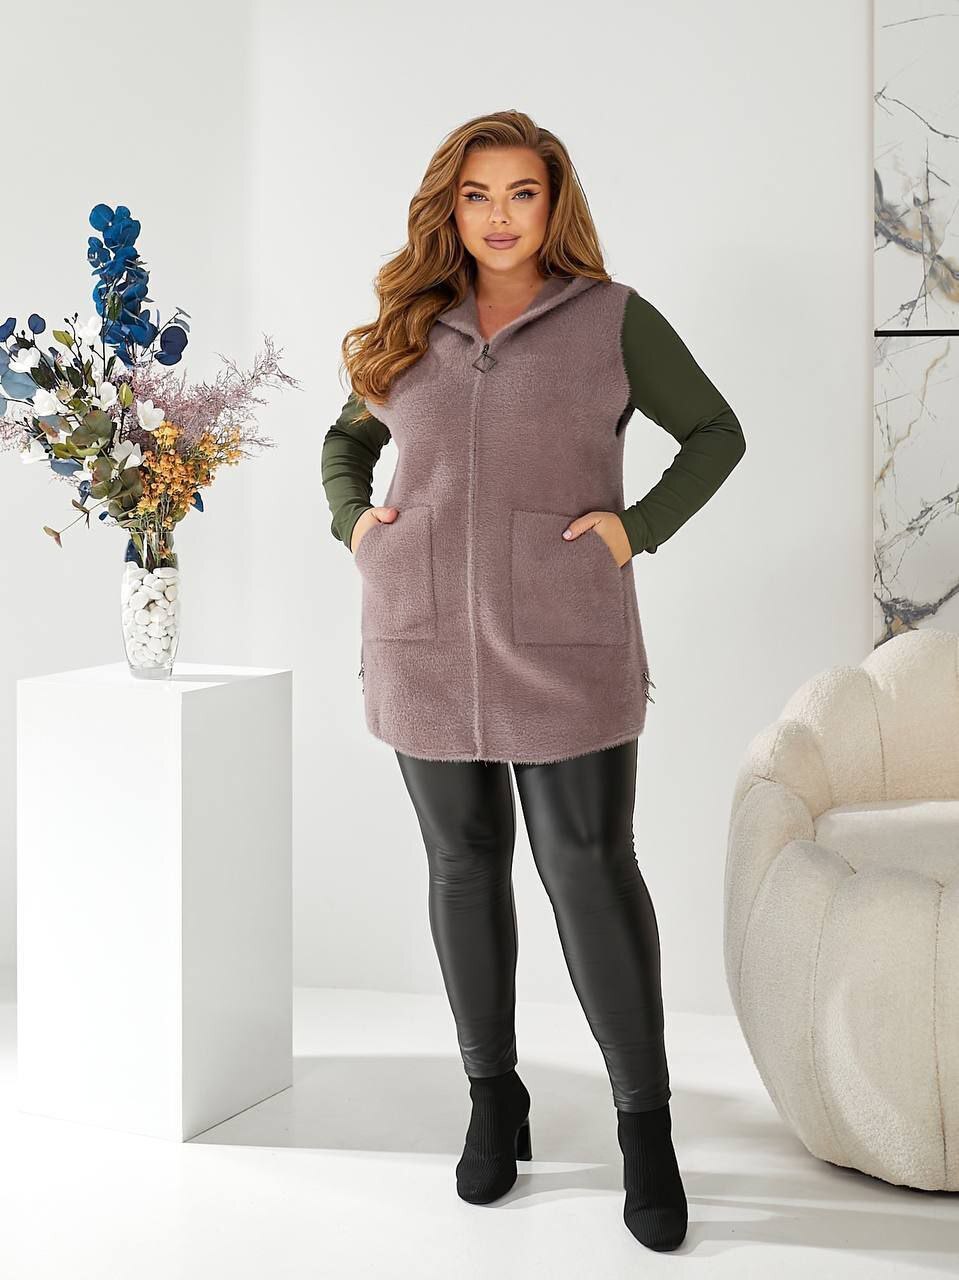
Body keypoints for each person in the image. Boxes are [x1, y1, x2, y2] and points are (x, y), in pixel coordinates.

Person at [321, 110, 745, 1253]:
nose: (499, 216)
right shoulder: (411, 324)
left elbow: (714, 430)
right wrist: (353, 521)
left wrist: (633, 527)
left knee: (587, 867)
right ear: (448, 208)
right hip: (419, 635)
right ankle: (491, 1097)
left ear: (553, 203)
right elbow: (345, 443)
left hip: (564, 638)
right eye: (477, 195)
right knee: (461, 865)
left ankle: (643, 1128)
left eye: (521, 192)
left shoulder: (611, 317)